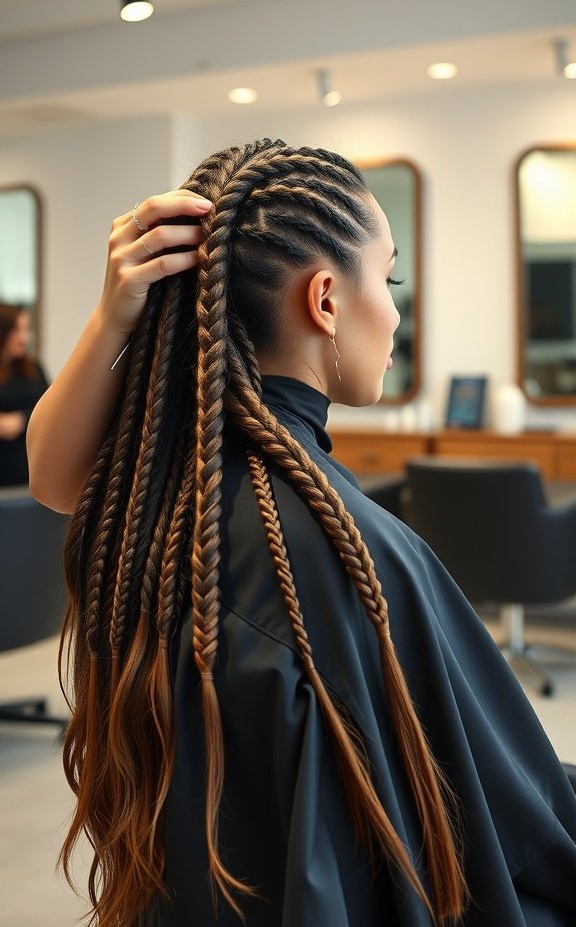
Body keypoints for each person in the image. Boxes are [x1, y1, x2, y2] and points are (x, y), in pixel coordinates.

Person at [27, 140, 576, 927]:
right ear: (325, 301)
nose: (396, 312)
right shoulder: (351, 552)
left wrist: (111, 315)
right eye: (389, 280)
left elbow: (53, 478)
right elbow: (511, 824)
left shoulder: (161, 490)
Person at [0, 302, 48, 486]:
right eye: (17, 330)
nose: (24, 337)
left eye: (26, 329)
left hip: (31, 470)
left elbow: (50, 411)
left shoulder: (34, 369)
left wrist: (21, 419)